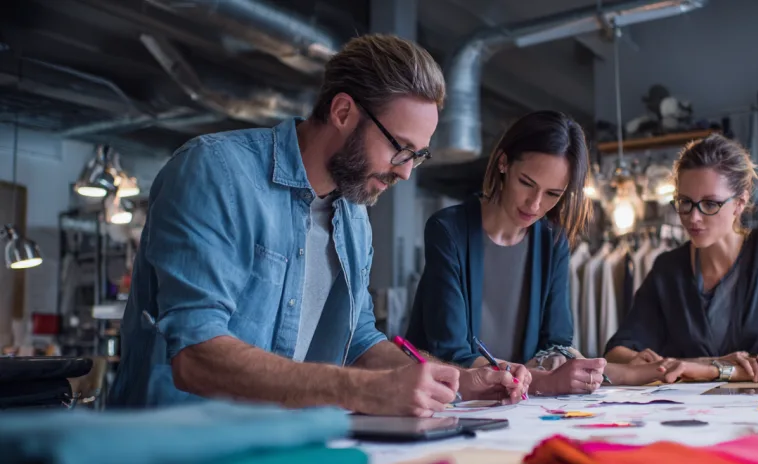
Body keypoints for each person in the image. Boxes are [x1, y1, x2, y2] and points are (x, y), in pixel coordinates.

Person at [109, 34, 528, 413]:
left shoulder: (353, 216)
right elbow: (196, 356)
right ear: (343, 111)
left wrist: (459, 381)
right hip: (171, 461)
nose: (405, 173)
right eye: (400, 148)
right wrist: (362, 391)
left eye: (418, 155)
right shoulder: (215, 172)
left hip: (274, 454)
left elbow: (359, 341)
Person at [405, 111, 704, 394]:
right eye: (527, 183)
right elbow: (452, 352)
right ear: (503, 163)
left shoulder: (553, 240)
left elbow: (557, 340)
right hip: (450, 398)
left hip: (517, 404)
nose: (534, 205)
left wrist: (561, 363)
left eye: (552, 194)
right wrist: (544, 380)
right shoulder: (448, 230)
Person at [605, 134, 758, 383]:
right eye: (685, 202)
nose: (693, 217)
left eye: (710, 204)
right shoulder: (669, 268)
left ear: (740, 203)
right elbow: (616, 351)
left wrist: (711, 370)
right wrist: (676, 365)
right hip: (689, 414)